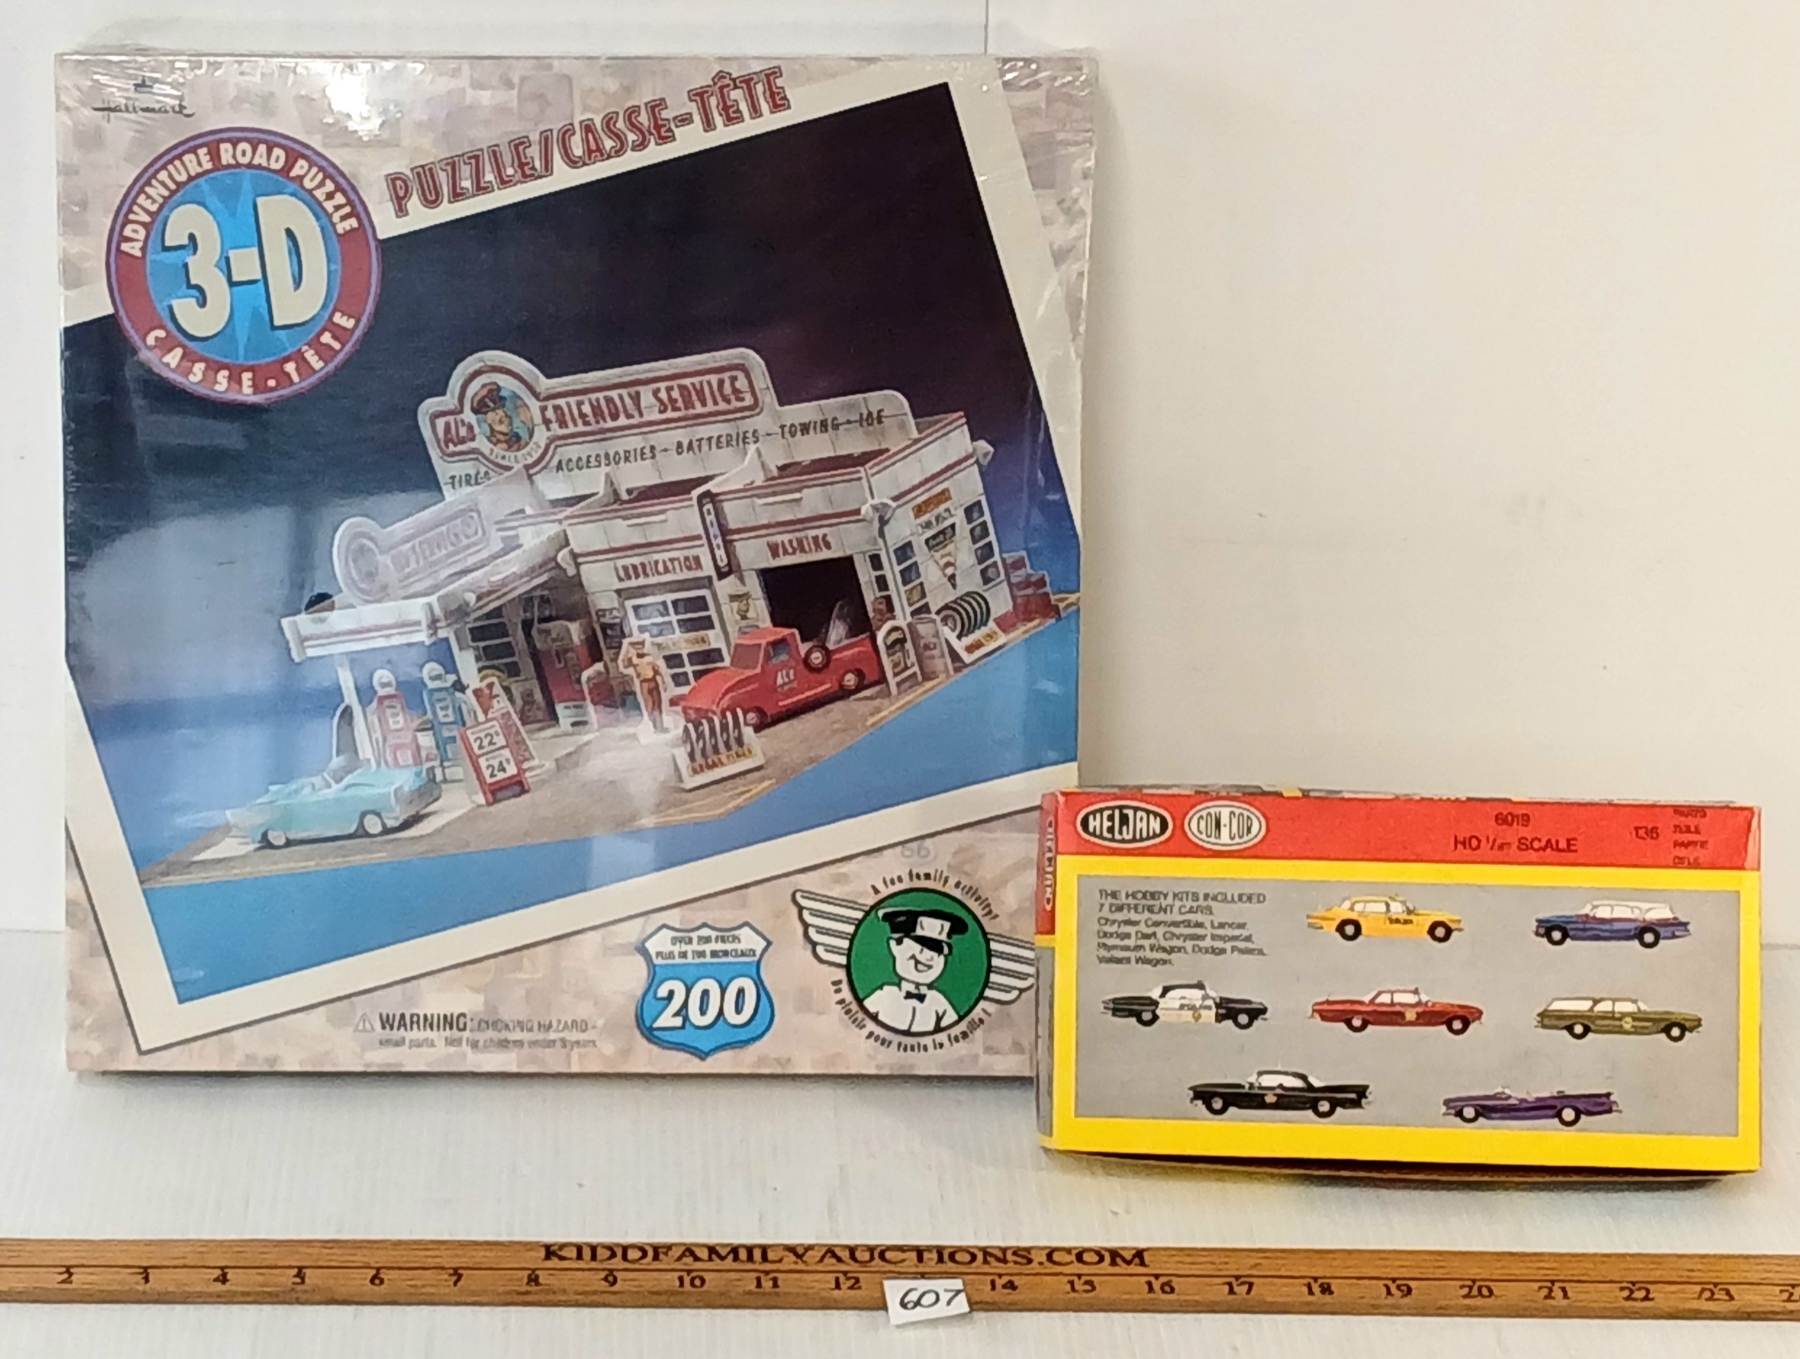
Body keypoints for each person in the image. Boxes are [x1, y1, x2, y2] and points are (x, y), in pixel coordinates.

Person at [860, 906, 969, 1035]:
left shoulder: (939, 1004)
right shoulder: (884, 996)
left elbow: (957, 1035)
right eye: (921, 947)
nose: (929, 957)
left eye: (938, 951)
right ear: (895, 947)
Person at [470, 381, 533, 453]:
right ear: (488, 421)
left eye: (502, 408)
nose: (502, 414)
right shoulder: (493, 445)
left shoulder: (520, 438)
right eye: (495, 413)